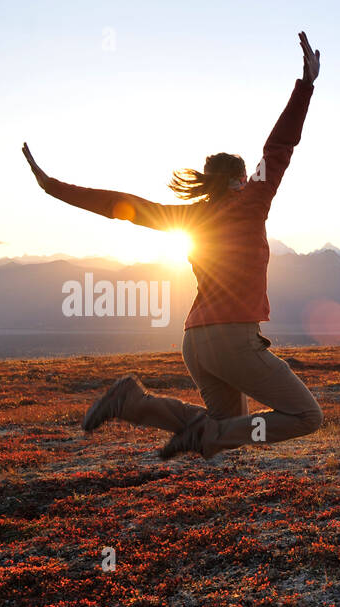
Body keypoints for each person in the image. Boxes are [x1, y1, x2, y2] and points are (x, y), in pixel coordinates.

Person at [22, 32, 324, 460]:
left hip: (195, 344)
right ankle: (208, 437)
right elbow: (278, 148)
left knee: (228, 426)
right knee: (304, 416)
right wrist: (306, 84)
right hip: (232, 340)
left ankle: (135, 402)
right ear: (240, 178)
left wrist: (53, 187)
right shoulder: (250, 201)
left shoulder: (190, 216)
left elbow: (119, 206)